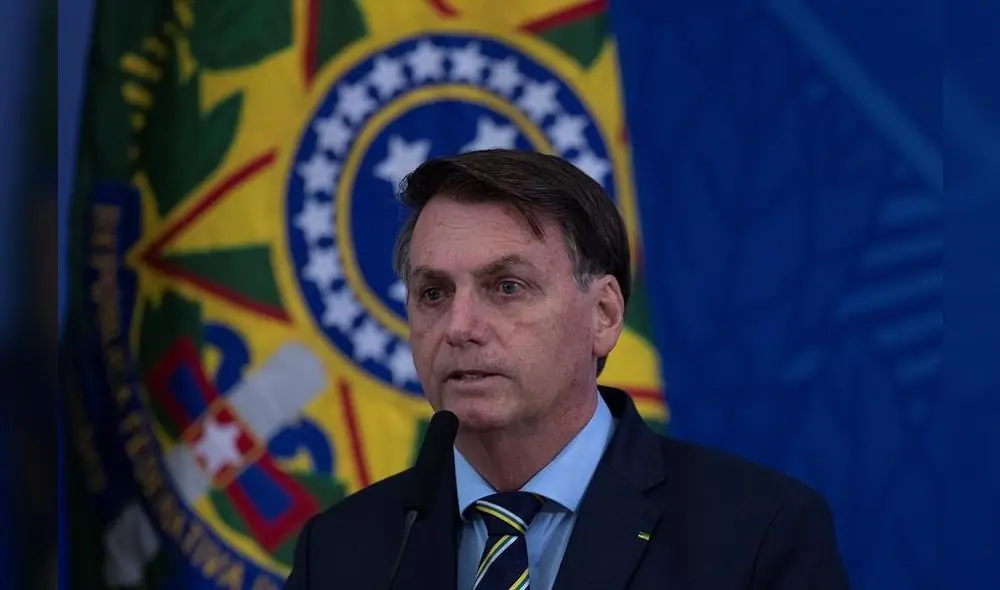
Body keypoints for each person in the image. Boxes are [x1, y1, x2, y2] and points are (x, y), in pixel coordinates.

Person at [283, 149, 850, 589]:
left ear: (602, 315)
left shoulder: (756, 533)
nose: (459, 326)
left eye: (507, 287)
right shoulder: (341, 552)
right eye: (432, 292)